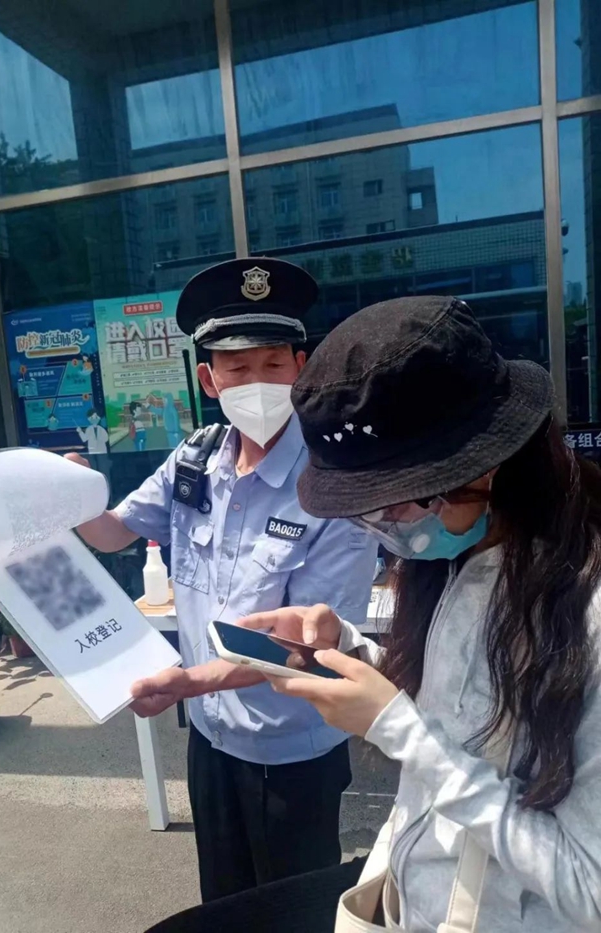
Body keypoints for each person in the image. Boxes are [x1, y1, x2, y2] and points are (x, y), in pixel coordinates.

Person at [146, 294, 601, 932]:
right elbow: (466, 703)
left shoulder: (584, 611)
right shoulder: (462, 558)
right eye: (369, 511)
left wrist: (398, 730)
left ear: (491, 465)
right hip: (405, 894)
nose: (389, 528)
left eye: (401, 503)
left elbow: (588, 889)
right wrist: (348, 650)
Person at [67, 258, 377, 903]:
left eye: (272, 364)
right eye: (236, 368)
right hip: (210, 734)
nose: (255, 382)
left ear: (301, 369)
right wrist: (66, 498)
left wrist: (185, 682)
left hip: (290, 748)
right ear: (209, 379)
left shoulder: (331, 484)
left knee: (292, 907)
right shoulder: (196, 458)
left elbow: (308, 647)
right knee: (224, 899)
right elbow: (113, 533)